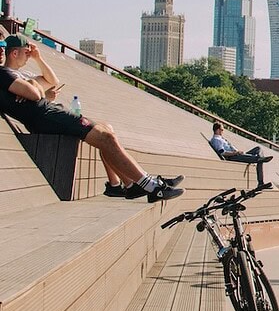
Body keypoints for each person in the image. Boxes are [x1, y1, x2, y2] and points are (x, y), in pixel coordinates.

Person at [0, 35, 183, 202]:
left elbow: (51, 82)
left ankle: (129, 185)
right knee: (105, 137)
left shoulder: (20, 75)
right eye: (27, 53)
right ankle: (151, 186)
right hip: (45, 117)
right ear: (15, 53)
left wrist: (38, 60)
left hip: (48, 113)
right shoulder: (4, 73)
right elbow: (36, 95)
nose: (29, 56)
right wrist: (34, 86)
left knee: (106, 130)